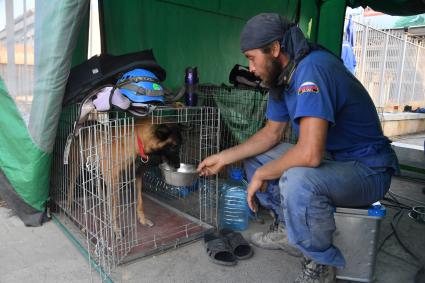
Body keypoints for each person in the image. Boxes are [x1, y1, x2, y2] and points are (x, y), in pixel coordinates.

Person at [197, 13, 399, 283]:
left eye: (252, 57)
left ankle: (320, 261)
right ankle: (289, 230)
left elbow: (309, 154)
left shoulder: (311, 70)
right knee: (254, 157)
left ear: (275, 49)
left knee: (297, 179)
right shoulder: (283, 76)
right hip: (335, 162)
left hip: (368, 170)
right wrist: (223, 157)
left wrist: (262, 174)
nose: (251, 68)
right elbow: (271, 133)